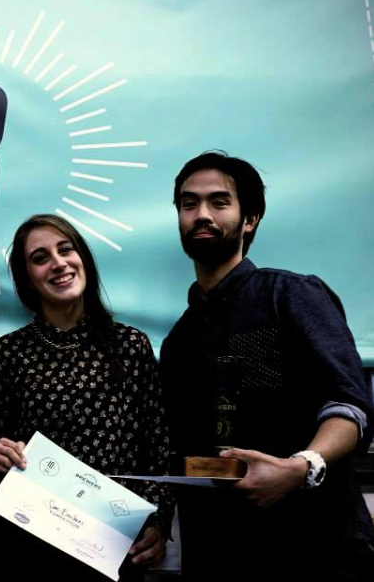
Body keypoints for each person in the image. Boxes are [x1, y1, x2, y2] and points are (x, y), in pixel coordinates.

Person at [160, 150, 374, 580]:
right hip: (219, 557)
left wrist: (300, 467)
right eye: (189, 203)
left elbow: (350, 406)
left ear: (250, 219)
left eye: (219, 202)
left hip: (315, 550)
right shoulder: (176, 342)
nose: (201, 214)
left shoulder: (290, 295)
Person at [0, 213, 174, 581]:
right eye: (40, 258)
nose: (58, 263)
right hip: (25, 548)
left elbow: (158, 448)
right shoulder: (8, 353)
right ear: (27, 278)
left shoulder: (131, 346)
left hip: (112, 548)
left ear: (83, 258)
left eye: (65, 250)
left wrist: (158, 520)